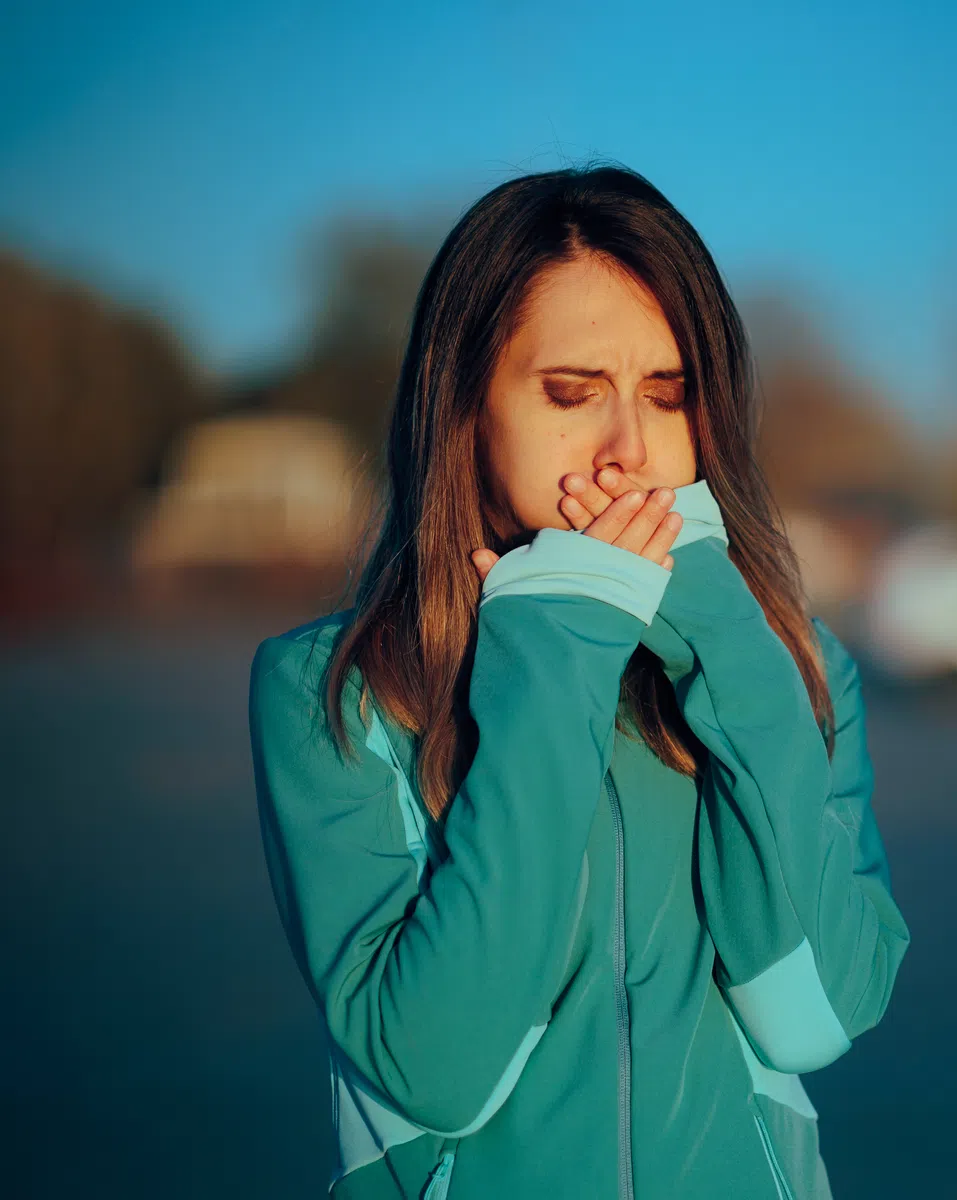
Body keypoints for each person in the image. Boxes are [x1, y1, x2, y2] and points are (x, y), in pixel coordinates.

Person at [246, 163, 911, 1199]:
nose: (629, 451)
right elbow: (439, 1067)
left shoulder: (801, 667)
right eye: (570, 393)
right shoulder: (336, 691)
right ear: (465, 405)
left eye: (668, 394)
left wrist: (730, 645)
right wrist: (550, 657)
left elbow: (815, 1013)